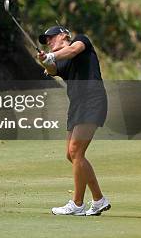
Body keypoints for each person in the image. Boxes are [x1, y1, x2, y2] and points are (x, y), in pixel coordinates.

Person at [37, 25, 110, 216]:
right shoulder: (61, 61)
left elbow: (72, 51)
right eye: (45, 41)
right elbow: (52, 69)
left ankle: (77, 204)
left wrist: (51, 56)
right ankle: (99, 200)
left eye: (51, 38)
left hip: (92, 100)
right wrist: (45, 61)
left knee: (76, 151)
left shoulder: (81, 40)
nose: (48, 42)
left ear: (63, 35)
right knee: (71, 155)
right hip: (77, 105)